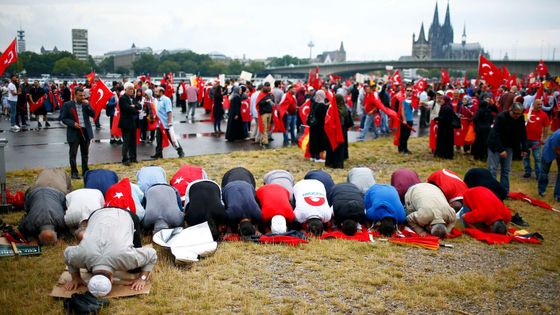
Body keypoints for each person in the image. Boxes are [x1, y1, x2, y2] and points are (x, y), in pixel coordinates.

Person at [63, 207, 157, 296]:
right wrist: (76, 278)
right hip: (97, 214)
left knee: (135, 269)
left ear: (112, 280)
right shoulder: (80, 258)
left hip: (125, 215)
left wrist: (142, 279)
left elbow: (152, 254)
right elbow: (67, 253)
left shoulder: (127, 258)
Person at [487, 102, 528, 195]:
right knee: (492, 169)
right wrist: (500, 149)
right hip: (495, 145)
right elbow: (495, 134)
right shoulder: (501, 117)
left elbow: (523, 133)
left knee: (506, 170)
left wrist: (525, 148)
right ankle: (492, 192)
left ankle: (504, 192)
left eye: (519, 114)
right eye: (515, 113)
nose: (517, 115)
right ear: (510, 110)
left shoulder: (520, 118)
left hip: (509, 145)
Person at [60, 87, 95, 179]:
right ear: (75, 95)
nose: (82, 97)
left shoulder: (86, 104)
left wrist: (88, 105)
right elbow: (63, 118)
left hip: (85, 131)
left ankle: (85, 171)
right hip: (74, 131)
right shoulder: (67, 105)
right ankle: (74, 172)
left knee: (85, 153)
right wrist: (73, 124)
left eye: (83, 95)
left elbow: (93, 114)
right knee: (73, 153)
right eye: (80, 96)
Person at [151, 87, 185, 159]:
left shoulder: (166, 100)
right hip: (159, 124)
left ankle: (180, 151)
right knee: (158, 139)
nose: (155, 93)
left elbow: (169, 111)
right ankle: (158, 154)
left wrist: (169, 122)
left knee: (172, 139)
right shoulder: (158, 100)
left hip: (166, 124)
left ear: (161, 92)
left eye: (156, 92)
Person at [523, 97, 549, 179]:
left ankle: (538, 174)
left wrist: (544, 138)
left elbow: (546, 127)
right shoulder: (527, 112)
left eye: (541, 104)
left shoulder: (543, 114)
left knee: (538, 158)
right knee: (525, 157)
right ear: (533, 104)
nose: (540, 106)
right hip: (526, 139)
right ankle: (527, 172)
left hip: (536, 140)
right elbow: (523, 124)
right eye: (538, 104)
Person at [325, 94, 353, 169]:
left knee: (332, 148)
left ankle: (330, 162)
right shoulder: (346, 110)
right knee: (340, 148)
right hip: (342, 132)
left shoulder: (333, 110)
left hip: (334, 132)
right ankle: (339, 163)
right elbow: (349, 122)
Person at [119, 82, 141, 166]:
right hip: (126, 123)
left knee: (133, 141)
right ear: (125, 90)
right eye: (130, 89)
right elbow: (127, 108)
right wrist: (135, 108)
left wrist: (134, 106)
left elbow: (139, 106)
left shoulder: (132, 98)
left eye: (132, 89)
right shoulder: (123, 98)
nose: (132, 91)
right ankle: (125, 159)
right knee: (126, 141)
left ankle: (133, 157)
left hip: (133, 122)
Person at [538, 129, 560, 201]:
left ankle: (558, 194)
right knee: (544, 171)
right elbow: (556, 149)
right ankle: (541, 190)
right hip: (549, 149)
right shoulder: (558, 135)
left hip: (557, 149)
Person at [308, 90, 328, 161]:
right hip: (320, 126)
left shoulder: (314, 103)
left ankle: (312, 156)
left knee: (313, 140)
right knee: (319, 140)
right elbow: (324, 116)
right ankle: (317, 157)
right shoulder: (322, 105)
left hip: (313, 125)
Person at [434, 95, 455, 159]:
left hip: (445, 128)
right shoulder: (448, 106)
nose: (441, 100)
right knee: (447, 141)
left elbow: (444, 118)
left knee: (443, 141)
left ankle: (443, 154)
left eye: (443, 99)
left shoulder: (446, 108)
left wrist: (437, 118)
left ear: (445, 100)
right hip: (448, 128)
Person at [398, 85, 414, 154]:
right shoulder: (403, 99)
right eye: (408, 90)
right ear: (405, 91)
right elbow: (402, 110)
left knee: (407, 135)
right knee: (403, 135)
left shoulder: (413, 100)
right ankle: (402, 149)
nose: (409, 92)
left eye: (410, 91)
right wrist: (404, 119)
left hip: (410, 120)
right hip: (404, 120)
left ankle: (404, 148)